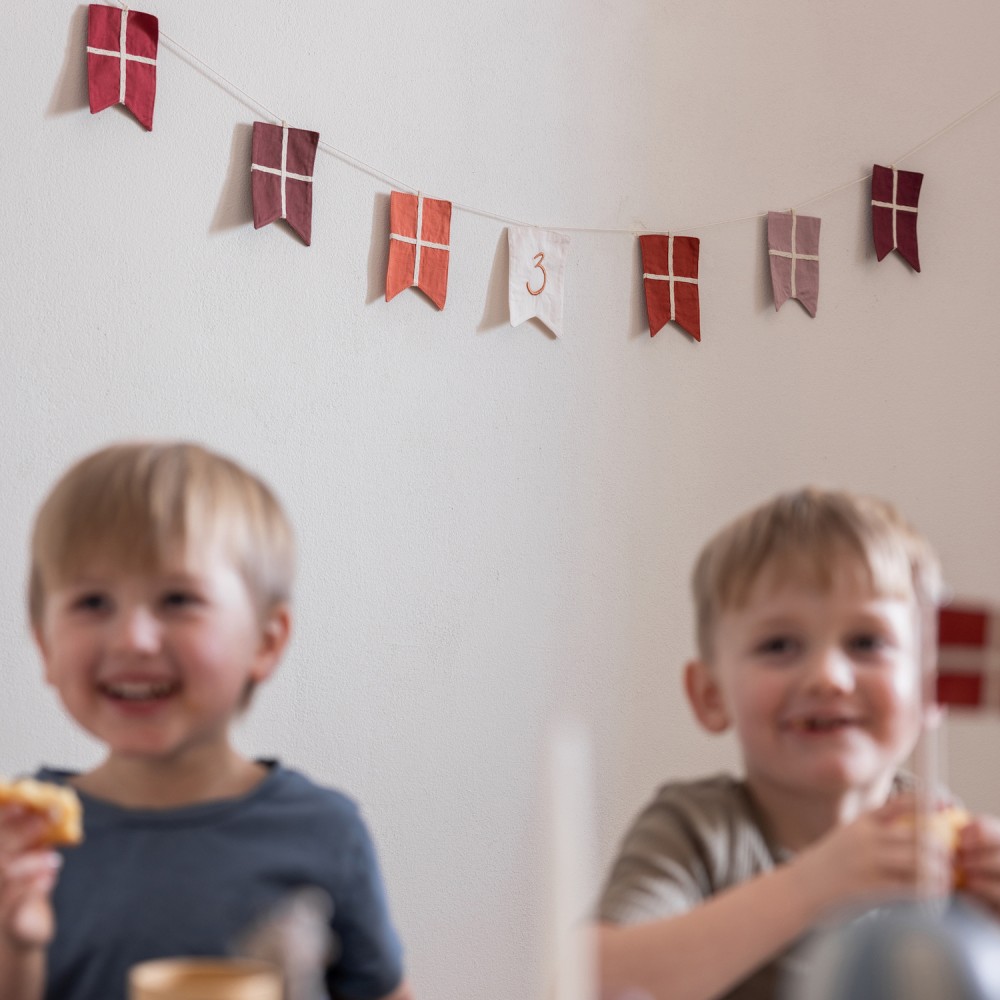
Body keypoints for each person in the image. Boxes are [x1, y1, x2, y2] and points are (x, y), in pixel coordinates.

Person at [0, 442, 414, 1000]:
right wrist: (16, 946)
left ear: (265, 643)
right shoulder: (20, 840)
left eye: (177, 599)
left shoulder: (325, 833)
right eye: (93, 603)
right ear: (45, 645)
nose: (133, 640)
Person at [595, 487, 1000, 1000]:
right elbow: (592, 982)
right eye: (779, 645)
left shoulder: (946, 844)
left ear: (930, 682)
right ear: (711, 695)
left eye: (866, 642)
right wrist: (811, 886)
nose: (828, 677)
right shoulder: (699, 832)